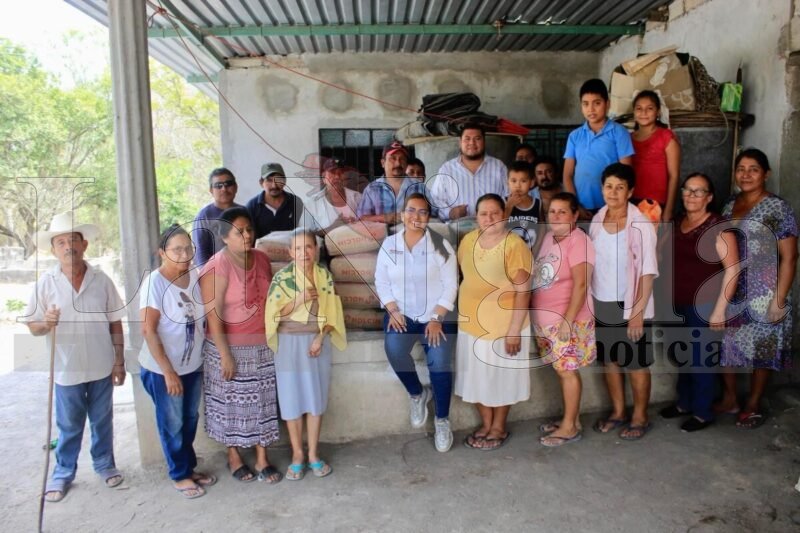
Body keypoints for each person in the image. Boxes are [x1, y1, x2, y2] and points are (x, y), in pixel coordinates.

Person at [24, 211, 126, 502]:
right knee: (68, 426)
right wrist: (46, 323)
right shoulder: (45, 283)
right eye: (60, 242)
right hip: (65, 368)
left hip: (101, 364)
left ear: (84, 245)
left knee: (102, 420)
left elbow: (115, 321)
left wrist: (118, 359)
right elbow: (34, 327)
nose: (68, 247)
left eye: (73, 240)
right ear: (53, 249)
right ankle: (63, 472)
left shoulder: (101, 280)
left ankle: (105, 464)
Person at [716, 149, 798, 429]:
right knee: (727, 346)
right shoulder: (729, 205)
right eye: (741, 168)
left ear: (766, 174)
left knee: (762, 350)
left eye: (753, 169)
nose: (746, 174)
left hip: (766, 291)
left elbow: (789, 257)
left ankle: (753, 403)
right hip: (734, 288)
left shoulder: (777, 208)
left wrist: (780, 298)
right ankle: (730, 398)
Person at [199, 207, 282, 483]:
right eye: (239, 232)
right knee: (230, 405)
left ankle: (262, 458)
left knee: (263, 403)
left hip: (261, 345)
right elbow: (213, 313)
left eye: (249, 230)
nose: (246, 235)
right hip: (229, 346)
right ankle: (233, 455)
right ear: (225, 237)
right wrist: (225, 354)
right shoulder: (217, 265)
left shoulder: (261, 258)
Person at [375, 194, 458, 452]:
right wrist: (392, 309)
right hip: (403, 314)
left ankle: (442, 420)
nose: (416, 216)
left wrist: (436, 318)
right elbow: (381, 281)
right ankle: (417, 393)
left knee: (440, 363)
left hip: (438, 315)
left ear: (428, 217)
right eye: (411, 210)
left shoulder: (441, 246)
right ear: (402, 215)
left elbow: (451, 285)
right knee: (395, 350)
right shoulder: (389, 245)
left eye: (423, 212)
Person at [659, 174, 740, 432]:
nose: (691, 195)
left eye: (698, 191)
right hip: (676, 302)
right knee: (683, 356)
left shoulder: (718, 227)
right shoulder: (677, 221)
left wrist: (719, 310)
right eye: (687, 190)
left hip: (704, 305)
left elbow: (733, 271)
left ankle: (703, 412)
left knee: (701, 359)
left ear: (709, 197)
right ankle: (685, 402)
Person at [139, 225, 214, 498]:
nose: (184, 254)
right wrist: (168, 371)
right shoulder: (154, 282)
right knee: (172, 422)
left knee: (189, 418)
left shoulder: (194, 274)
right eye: (177, 250)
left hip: (191, 365)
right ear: (162, 253)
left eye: (188, 248)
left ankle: (188, 467)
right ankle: (179, 474)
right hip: (162, 369)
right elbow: (147, 329)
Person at [265, 229, 347, 479]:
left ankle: (313, 453)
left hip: (316, 344)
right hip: (289, 344)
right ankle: (297, 454)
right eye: (298, 249)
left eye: (308, 247)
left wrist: (320, 338)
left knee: (314, 401)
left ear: (316, 250)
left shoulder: (324, 276)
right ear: (290, 253)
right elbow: (273, 316)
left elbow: (333, 312)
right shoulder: (282, 279)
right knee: (291, 401)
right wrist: (298, 300)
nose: (304, 253)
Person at [456, 194, 533, 450]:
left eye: (494, 213)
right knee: (476, 377)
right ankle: (486, 423)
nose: (489, 218)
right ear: (476, 217)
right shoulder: (467, 241)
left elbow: (524, 290)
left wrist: (514, 331)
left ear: (504, 216)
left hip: (504, 326)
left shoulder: (514, 245)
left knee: (501, 378)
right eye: (483, 214)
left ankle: (499, 426)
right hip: (471, 325)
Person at [589, 163, 658, 440]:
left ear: (630, 191)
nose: (613, 192)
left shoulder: (640, 223)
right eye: (609, 186)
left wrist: (637, 314)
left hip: (630, 305)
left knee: (636, 363)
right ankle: (618, 412)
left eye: (620, 187)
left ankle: (640, 416)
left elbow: (648, 271)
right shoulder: (597, 218)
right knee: (610, 360)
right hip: (602, 301)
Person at [532, 192, 596, 446]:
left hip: (567, 319)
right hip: (547, 319)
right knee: (562, 371)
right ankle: (571, 420)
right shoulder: (548, 237)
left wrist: (568, 321)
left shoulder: (578, 240)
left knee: (567, 371)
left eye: (562, 212)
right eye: (552, 212)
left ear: (575, 215)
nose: (556, 216)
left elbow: (581, 284)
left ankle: (569, 427)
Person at [563, 79, 634, 219]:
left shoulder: (619, 133)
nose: (591, 109)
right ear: (581, 106)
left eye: (597, 103)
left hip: (611, 207)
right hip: (581, 207)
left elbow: (627, 174)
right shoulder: (574, 136)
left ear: (607, 104)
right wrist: (576, 206)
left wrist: (615, 207)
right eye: (586, 104)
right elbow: (567, 175)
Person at [429, 123, 508, 221]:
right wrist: (450, 212)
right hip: (457, 230)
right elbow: (435, 199)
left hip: (492, 228)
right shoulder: (447, 169)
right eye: (467, 138)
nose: (472, 143)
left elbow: (508, 197)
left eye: (477, 138)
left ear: (484, 142)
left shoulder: (498, 167)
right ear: (460, 142)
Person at [630, 90, 681, 221]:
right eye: (639, 108)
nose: (643, 113)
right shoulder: (627, 138)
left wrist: (668, 210)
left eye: (649, 108)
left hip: (657, 204)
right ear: (634, 112)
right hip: (631, 201)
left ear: (658, 112)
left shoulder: (666, 137)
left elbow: (674, 176)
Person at [357, 141, 426, 225]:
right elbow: (361, 219)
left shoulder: (419, 187)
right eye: (393, 158)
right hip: (381, 237)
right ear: (383, 163)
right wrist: (384, 217)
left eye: (402, 159)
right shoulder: (372, 189)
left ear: (406, 164)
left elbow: (435, 215)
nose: (398, 163)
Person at [193, 168, 243, 267]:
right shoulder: (204, 217)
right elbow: (200, 252)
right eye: (218, 186)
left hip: (243, 271)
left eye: (228, 184)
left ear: (236, 187)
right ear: (211, 190)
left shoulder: (244, 212)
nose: (224, 189)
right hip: (216, 273)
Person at [300, 158, 363, 235]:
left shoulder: (357, 197)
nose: (337, 177)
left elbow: (368, 224)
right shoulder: (311, 204)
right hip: (325, 246)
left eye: (341, 173)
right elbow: (305, 235)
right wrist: (332, 228)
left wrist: (357, 224)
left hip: (356, 245)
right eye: (332, 172)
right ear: (323, 178)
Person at [246, 162, 304, 239]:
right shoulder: (252, 206)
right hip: (261, 250)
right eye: (269, 180)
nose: (274, 185)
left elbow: (303, 232)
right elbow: (249, 235)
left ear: (284, 181)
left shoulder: (296, 202)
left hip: (292, 250)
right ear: (261, 183)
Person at [505, 160, 542, 250]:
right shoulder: (503, 202)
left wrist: (536, 249)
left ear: (532, 183)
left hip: (531, 252)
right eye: (513, 181)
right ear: (507, 182)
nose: (518, 185)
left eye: (523, 181)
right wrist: (509, 207)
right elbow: (498, 227)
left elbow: (542, 229)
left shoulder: (538, 204)